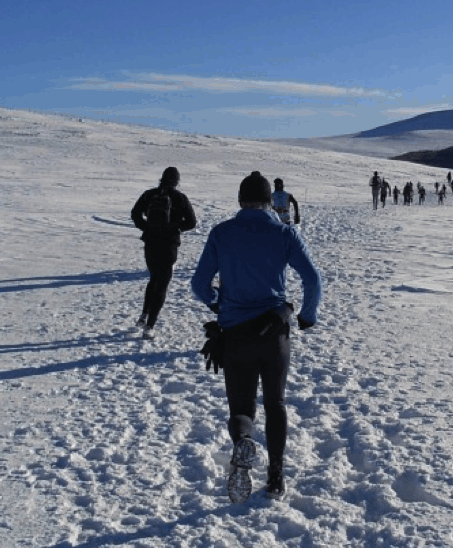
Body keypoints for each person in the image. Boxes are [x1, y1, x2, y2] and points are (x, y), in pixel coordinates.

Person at [191, 171, 322, 502]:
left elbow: (198, 285)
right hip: (273, 331)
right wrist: (307, 316)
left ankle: (243, 442)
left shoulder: (222, 233)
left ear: (240, 200)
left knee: (241, 406)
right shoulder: (284, 233)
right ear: (269, 201)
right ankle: (276, 476)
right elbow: (313, 279)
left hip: (234, 332)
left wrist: (219, 303)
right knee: (275, 402)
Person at [130, 167, 197, 339]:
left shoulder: (149, 194)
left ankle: (144, 316)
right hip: (169, 244)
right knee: (162, 283)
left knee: (153, 278)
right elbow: (191, 222)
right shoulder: (180, 198)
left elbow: (135, 213)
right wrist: (175, 228)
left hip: (150, 242)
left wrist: (146, 227)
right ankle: (150, 326)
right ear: (177, 181)